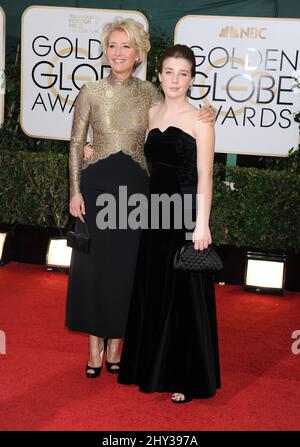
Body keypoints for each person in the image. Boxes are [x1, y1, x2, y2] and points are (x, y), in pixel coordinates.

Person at [66, 17, 215, 379]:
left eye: (126, 46)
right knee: (93, 271)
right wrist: (74, 190)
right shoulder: (90, 91)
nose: (118, 53)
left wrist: (207, 110)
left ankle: (117, 346)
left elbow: (176, 122)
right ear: (105, 51)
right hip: (97, 188)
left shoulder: (150, 92)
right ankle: (94, 348)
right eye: (112, 46)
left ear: (138, 54)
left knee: (125, 272)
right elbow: (74, 143)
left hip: (137, 196)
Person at [117, 44, 221, 403]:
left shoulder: (201, 119)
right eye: (169, 72)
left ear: (192, 79)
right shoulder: (150, 112)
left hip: (185, 212)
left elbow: (206, 175)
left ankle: (184, 376)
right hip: (153, 212)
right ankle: (150, 367)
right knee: (153, 287)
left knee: (183, 295)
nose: (175, 79)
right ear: (159, 75)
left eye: (183, 73)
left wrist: (201, 224)